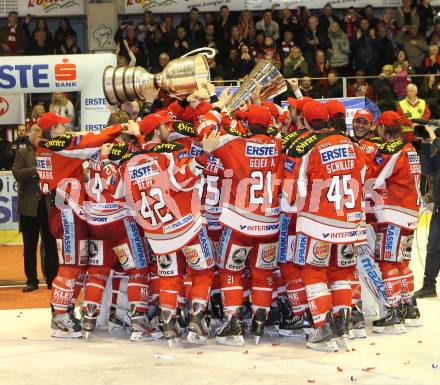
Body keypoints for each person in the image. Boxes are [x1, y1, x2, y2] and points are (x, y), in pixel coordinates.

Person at [114, 114, 220, 346]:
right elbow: (182, 180)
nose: (168, 128)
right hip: (186, 225)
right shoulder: (166, 154)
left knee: (169, 277)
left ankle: (169, 324)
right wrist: (205, 152)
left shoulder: (128, 162)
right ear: (157, 131)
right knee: (203, 271)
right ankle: (197, 320)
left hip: (157, 234)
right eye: (164, 125)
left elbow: (121, 195)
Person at [36, 111, 138, 338]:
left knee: (78, 264)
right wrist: (119, 127)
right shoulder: (59, 146)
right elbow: (91, 141)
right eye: (61, 125)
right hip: (67, 210)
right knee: (71, 265)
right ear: (52, 131)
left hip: (63, 209)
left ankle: (66, 313)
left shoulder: (46, 149)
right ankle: (60, 317)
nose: (66, 127)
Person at [285, 101, 366, 352]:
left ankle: (322, 328)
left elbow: (292, 189)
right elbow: (364, 175)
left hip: (317, 221)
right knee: (341, 273)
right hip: (349, 221)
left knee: (313, 272)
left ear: (306, 121)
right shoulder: (351, 143)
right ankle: (343, 328)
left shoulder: (305, 146)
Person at [367, 111, 422, 333]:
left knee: (388, 262)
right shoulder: (410, 149)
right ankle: (410, 308)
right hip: (410, 213)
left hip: (394, 213)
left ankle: (393, 313)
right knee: (401, 263)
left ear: (383, 129)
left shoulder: (392, 149)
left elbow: (374, 179)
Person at [12, 125, 59, 292]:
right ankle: (31, 280)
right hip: (29, 208)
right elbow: (17, 173)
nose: (43, 139)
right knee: (29, 246)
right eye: (40, 136)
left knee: (51, 245)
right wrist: (38, 170)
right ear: (33, 138)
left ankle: (52, 279)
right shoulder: (22, 153)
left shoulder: (52, 153)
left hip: (48, 206)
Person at [415, 124, 440, 298]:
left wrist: (434, 139)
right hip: (438, 208)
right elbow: (427, 170)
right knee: (432, 248)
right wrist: (424, 145)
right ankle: (429, 285)